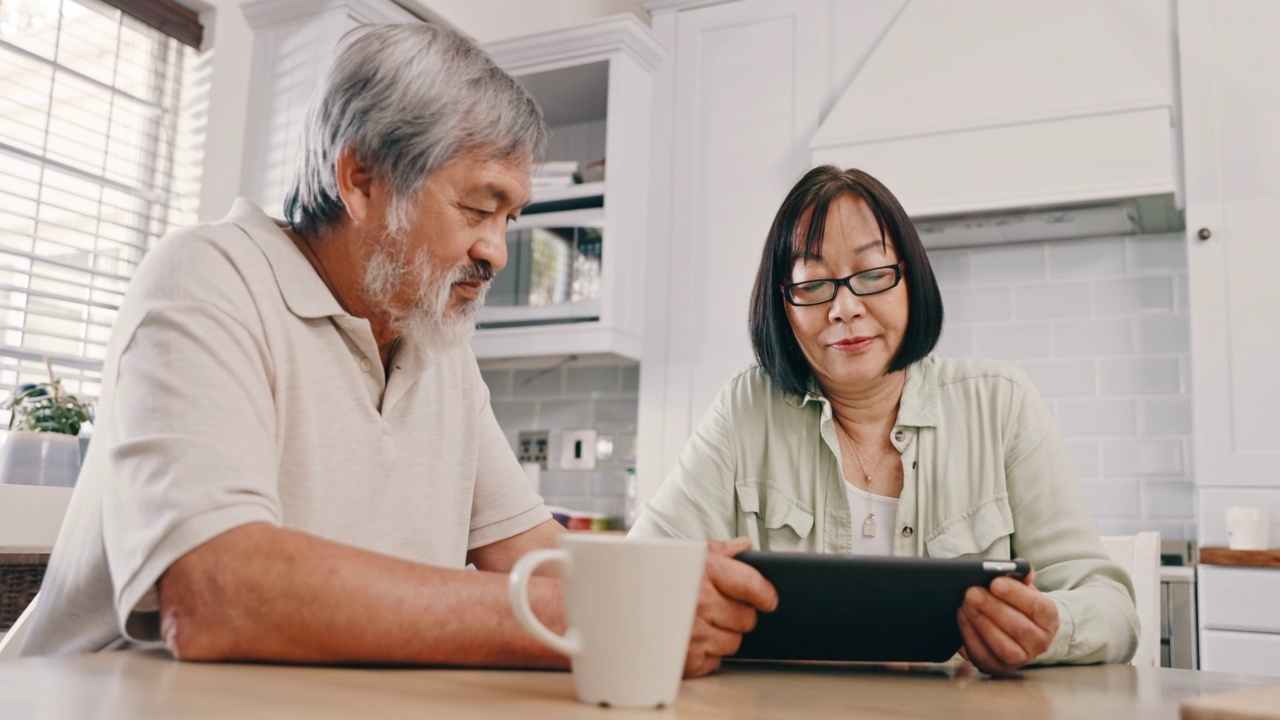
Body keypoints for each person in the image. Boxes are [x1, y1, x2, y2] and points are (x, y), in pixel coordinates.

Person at [20, 23, 776, 677]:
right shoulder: (207, 277)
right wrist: (588, 616)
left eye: (510, 217)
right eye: (480, 208)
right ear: (362, 177)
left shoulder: (434, 341)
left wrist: (664, 587)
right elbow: (216, 593)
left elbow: (532, 555)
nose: (497, 251)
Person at [629, 166, 1139, 675]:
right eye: (812, 284)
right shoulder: (746, 410)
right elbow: (633, 578)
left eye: (873, 275)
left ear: (910, 280)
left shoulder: (999, 405)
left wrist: (1047, 625)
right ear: (782, 304)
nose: (845, 308)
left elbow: (1113, 610)